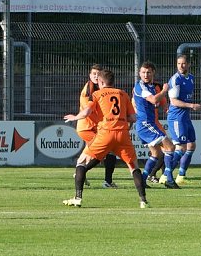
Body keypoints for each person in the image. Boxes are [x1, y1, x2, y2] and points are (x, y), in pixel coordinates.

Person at [63, 69, 149, 209]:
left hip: (106, 133)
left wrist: (75, 117)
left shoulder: (96, 94)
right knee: (133, 166)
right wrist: (121, 121)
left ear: (101, 82)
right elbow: (133, 118)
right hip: (122, 134)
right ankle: (143, 201)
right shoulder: (123, 93)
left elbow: (87, 112)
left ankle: (78, 198)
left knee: (82, 162)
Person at [72, 64, 118, 188]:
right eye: (94, 74)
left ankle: (80, 172)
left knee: (90, 153)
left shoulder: (99, 89)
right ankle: (106, 181)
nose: (96, 76)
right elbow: (89, 110)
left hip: (95, 128)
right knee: (107, 151)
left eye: (98, 74)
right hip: (87, 127)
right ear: (90, 75)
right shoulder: (89, 89)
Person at [133, 61, 177, 187]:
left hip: (149, 124)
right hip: (145, 124)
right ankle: (169, 179)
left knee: (156, 154)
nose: (145, 75)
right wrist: (164, 90)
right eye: (143, 72)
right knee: (170, 147)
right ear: (139, 73)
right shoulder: (140, 86)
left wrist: (164, 106)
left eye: (148, 72)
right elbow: (153, 99)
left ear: (153, 73)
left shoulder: (151, 87)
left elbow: (157, 101)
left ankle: (142, 180)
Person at [167, 54, 201, 187]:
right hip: (176, 117)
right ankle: (166, 175)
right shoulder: (175, 79)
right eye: (179, 64)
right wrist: (191, 105)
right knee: (179, 148)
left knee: (191, 145)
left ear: (189, 64)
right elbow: (174, 101)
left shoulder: (191, 78)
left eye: (183, 63)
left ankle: (181, 175)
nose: (181, 66)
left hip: (185, 117)